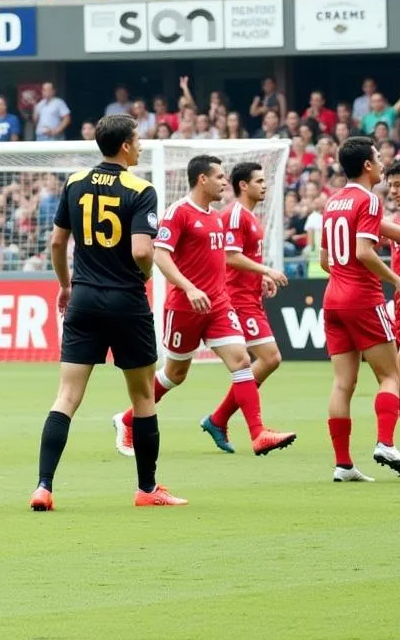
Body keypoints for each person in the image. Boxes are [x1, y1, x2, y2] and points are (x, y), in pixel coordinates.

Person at [29, 114, 187, 511]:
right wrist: (146, 273)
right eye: (138, 139)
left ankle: (44, 486)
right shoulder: (141, 189)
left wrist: (65, 285)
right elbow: (141, 251)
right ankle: (147, 490)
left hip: (82, 299)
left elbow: (56, 242)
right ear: (125, 146)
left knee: (66, 396)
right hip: (126, 302)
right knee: (142, 397)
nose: (142, 145)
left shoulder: (74, 182)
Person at [113, 155, 296, 458]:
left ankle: (258, 433)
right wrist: (188, 287)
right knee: (175, 374)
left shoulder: (214, 216)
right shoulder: (179, 212)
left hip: (219, 306)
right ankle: (128, 419)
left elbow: (217, 262)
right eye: (220, 177)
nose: (225, 182)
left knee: (240, 362)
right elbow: (160, 255)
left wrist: (255, 279)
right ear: (202, 179)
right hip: (184, 308)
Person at [320, 138, 400, 482]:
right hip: (362, 299)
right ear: (368, 165)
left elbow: (326, 260)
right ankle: (386, 443)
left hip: (333, 301)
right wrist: (399, 284)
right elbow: (364, 252)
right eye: (378, 156)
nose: (383, 162)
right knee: (391, 376)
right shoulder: (369, 200)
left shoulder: (333, 202)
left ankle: (343, 464)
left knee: (343, 383)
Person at [200, 163, 289, 453]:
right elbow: (230, 257)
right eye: (259, 181)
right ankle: (237, 424)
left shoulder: (250, 217)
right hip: (236, 299)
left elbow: (242, 259)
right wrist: (268, 270)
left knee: (268, 359)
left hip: (250, 296)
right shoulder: (235, 215)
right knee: (269, 357)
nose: (265, 185)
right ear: (243, 185)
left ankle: (219, 419)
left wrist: (261, 277)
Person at [383, 158, 400, 480]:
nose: (393, 191)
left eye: (398, 185)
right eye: (389, 186)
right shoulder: (398, 219)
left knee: (399, 378)